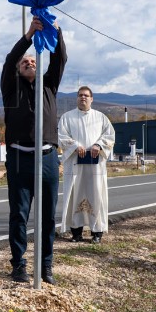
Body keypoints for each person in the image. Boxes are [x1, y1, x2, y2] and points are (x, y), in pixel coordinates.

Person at [1, 16, 66, 285]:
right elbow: (9, 59)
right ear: (18, 69)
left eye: (33, 61)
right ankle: (18, 265)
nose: (30, 63)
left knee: (48, 215)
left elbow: (59, 59)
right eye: (25, 62)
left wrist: (56, 32)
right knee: (19, 214)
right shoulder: (11, 87)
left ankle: (46, 265)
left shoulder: (49, 85)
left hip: (48, 158)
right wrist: (29, 35)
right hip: (19, 158)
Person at [58, 86, 115, 244]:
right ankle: (76, 232)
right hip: (75, 164)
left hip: (95, 166)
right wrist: (75, 145)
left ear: (91, 98)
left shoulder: (101, 117)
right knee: (74, 194)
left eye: (86, 95)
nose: (83, 98)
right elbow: (61, 136)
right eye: (80, 95)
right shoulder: (67, 117)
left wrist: (98, 145)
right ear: (77, 98)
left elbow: (110, 136)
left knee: (97, 194)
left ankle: (97, 232)